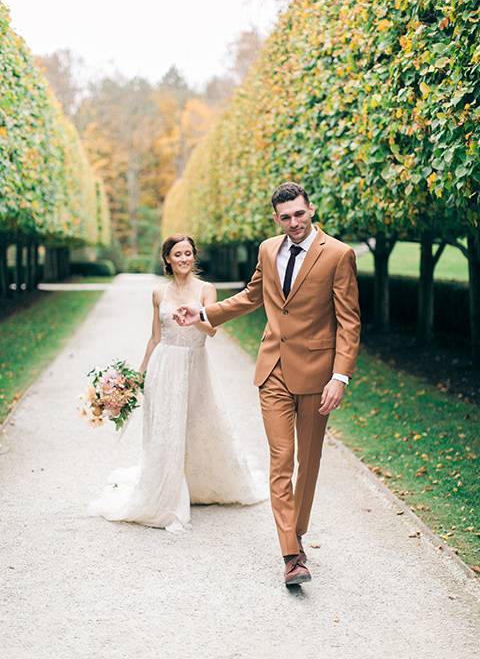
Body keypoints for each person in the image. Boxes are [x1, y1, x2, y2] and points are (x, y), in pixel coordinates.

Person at [175, 183, 361, 585]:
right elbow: (252, 295)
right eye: (285, 216)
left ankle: (298, 532)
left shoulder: (339, 254)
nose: (294, 222)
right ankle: (292, 555)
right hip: (273, 368)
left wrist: (339, 376)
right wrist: (204, 313)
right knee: (281, 459)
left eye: (299, 213)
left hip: (317, 374)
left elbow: (349, 321)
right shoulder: (267, 249)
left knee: (306, 464)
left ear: (311, 209)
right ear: (275, 217)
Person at [88, 233, 267, 532]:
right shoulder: (159, 293)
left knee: (198, 423)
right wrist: (139, 375)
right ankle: (166, 488)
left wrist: (195, 318)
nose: (183, 259)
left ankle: (197, 484)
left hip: (195, 363)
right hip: (163, 366)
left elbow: (212, 331)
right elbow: (155, 337)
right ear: (167, 260)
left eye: (188, 253)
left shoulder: (206, 290)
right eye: (177, 254)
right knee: (166, 427)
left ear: (193, 256)